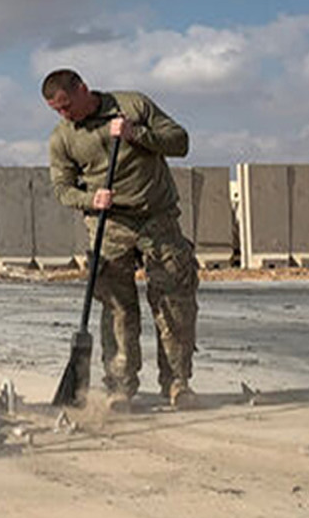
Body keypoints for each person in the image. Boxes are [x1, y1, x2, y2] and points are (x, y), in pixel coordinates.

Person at [42, 68, 199, 410]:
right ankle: (119, 388)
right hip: (109, 225)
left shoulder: (132, 105)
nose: (65, 115)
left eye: (67, 106)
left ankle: (177, 383)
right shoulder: (63, 138)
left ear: (83, 89)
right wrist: (90, 199)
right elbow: (62, 188)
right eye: (57, 111)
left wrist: (136, 134)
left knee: (174, 303)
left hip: (157, 218)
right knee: (117, 310)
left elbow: (180, 142)